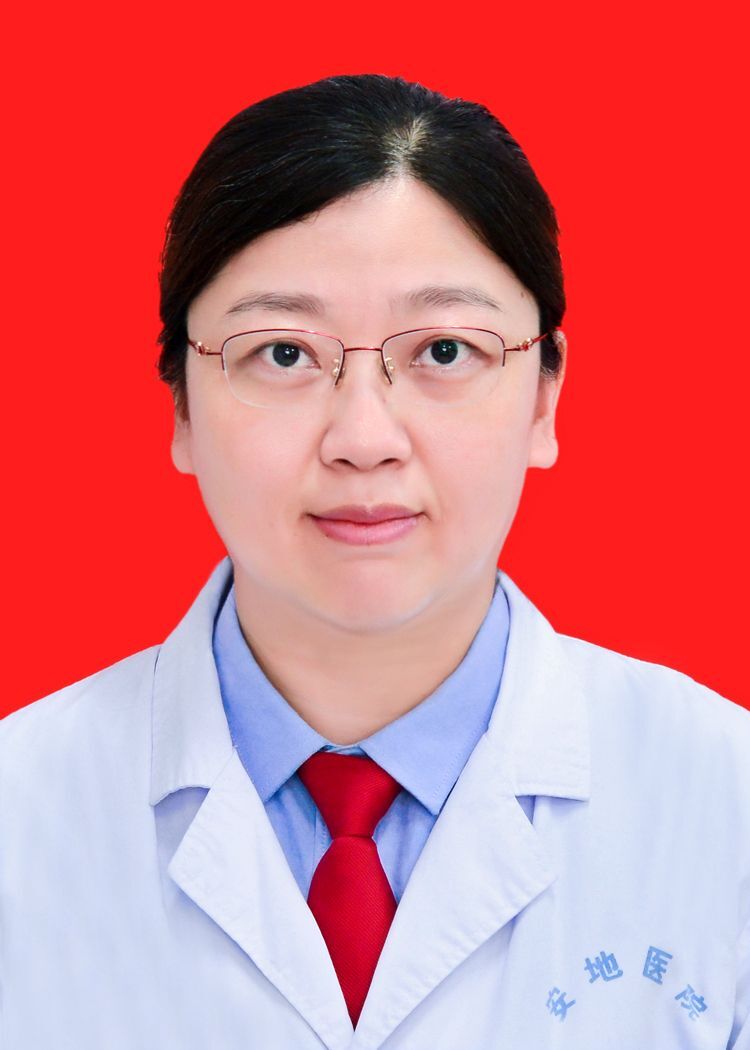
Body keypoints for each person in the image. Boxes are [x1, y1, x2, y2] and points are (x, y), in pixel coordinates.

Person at [1, 74, 748, 1050]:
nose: (363, 439)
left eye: (444, 351)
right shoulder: (22, 810)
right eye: (282, 353)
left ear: (543, 399)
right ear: (180, 403)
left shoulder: (723, 803)